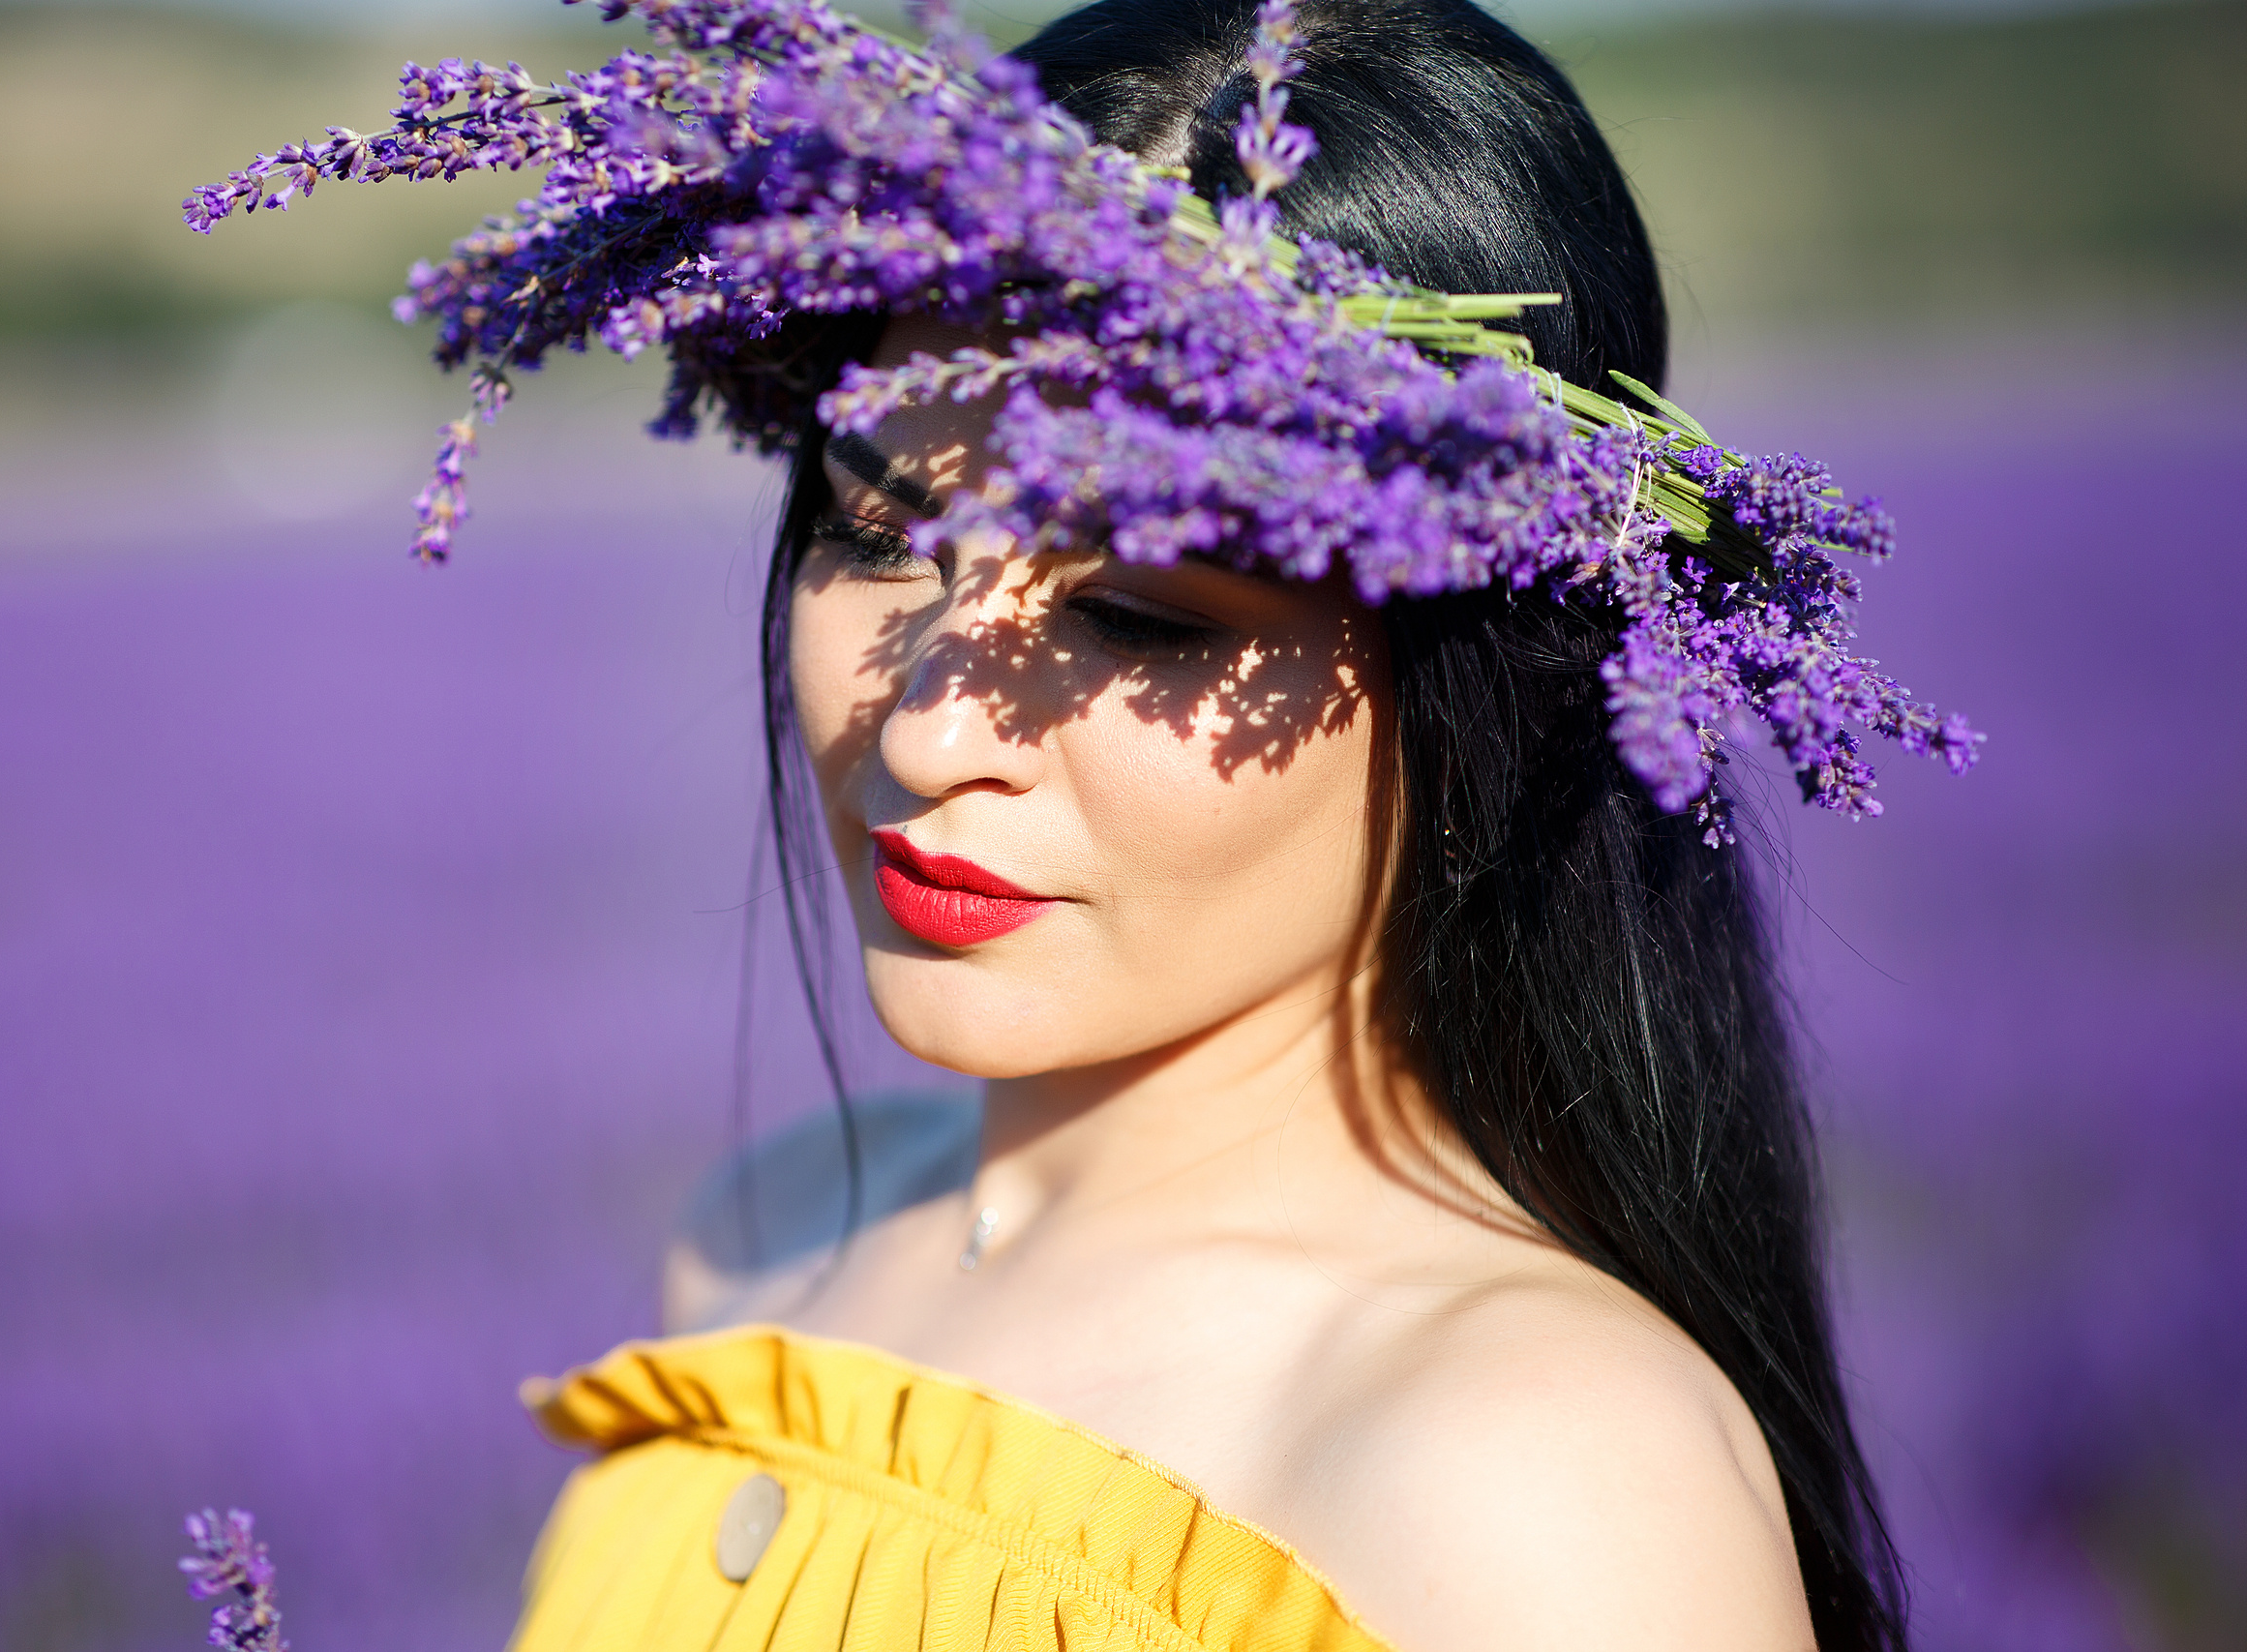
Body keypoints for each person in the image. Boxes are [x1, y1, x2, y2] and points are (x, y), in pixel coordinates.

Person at [495, 2, 1908, 1650]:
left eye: (1147, 618)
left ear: (1485, 688)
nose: (936, 724)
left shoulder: (1535, 1476)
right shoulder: (766, 1239)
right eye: (877, 536)